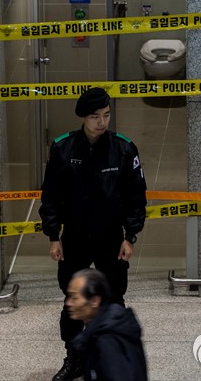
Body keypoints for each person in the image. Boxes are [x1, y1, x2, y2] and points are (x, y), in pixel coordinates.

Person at [39, 87, 147, 381]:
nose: (102, 122)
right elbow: (50, 196)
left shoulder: (124, 149)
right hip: (74, 236)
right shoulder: (63, 148)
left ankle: (114, 355)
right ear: (83, 118)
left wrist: (130, 236)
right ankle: (74, 357)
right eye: (95, 117)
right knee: (73, 300)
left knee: (113, 297)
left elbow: (136, 196)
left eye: (106, 115)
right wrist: (53, 236)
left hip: (110, 236)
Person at [67, 268, 148, 381]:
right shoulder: (104, 324)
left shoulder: (107, 342)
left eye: (74, 297)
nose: (68, 303)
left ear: (94, 301)